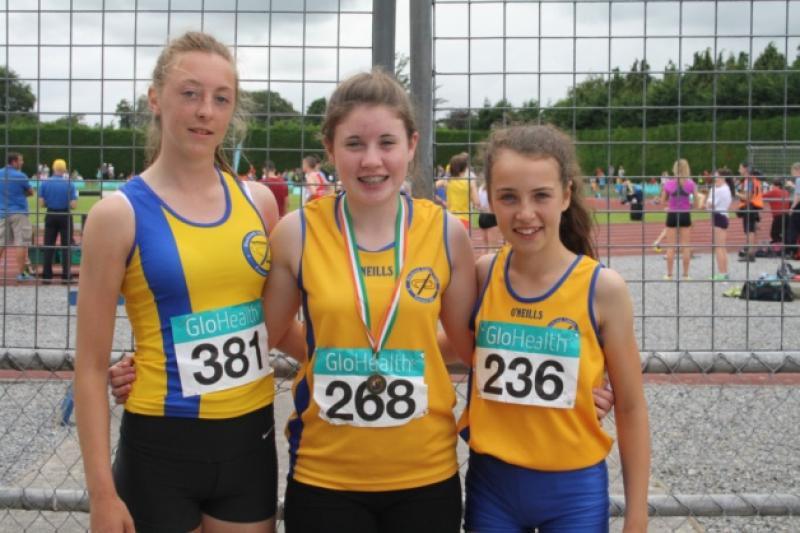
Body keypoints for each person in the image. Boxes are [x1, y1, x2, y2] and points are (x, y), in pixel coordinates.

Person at [74, 31, 286, 533]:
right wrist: (102, 495)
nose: (204, 111)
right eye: (189, 93)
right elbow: (87, 369)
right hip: (160, 448)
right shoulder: (117, 215)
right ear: (156, 99)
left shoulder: (259, 203)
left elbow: (276, 323)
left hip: (250, 443)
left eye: (220, 98)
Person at [458, 124, 649, 533]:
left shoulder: (603, 289)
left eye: (540, 196)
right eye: (508, 197)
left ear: (565, 195)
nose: (525, 214)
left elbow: (631, 406)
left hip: (573, 492)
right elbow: (448, 346)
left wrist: (637, 515)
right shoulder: (483, 275)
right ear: (490, 198)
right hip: (493, 487)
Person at [38, 158, 78, 283]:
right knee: (66, 246)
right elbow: (73, 205)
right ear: (65, 169)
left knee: (49, 245)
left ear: (53, 168)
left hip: (50, 214)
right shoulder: (70, 183)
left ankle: (46, 275)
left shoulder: (45, 183)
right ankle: (66, 276)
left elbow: (41, 203)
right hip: (65, 215)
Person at [0, 152, 35, 282]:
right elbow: (31, 192)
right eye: (21, 160)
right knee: (21, 243)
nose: (22, 163)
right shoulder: (20, 176)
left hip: (2, 212)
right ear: (14, 162)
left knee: (0, 243)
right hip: (19, 212)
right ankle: (21, 274)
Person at [659, 159, 696, 280]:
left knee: (670, 246)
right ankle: (686, 275)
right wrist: (690, 206)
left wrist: (668, 207)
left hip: (672, 214)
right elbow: (696, 201)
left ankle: (669, 275)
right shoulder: (691, 183)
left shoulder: (668, 183)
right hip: (685, 214)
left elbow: (662, 201)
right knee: (686, 246)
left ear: (674, 169)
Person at [706, 169, 735, 281]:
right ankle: (724, 272)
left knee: (718, 247)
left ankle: (722, 273)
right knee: (721, 247)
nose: (714, 178)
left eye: (717, 176)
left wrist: (706, 202)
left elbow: (710, 204)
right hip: (722, 216)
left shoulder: (720, 190)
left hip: (718, 216)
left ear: (723, 178)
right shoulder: (725, 188)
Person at [735, 162, 763, 263]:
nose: (739, 170)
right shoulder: (754, 180)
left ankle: (750, 254)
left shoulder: (748, 180)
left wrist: (735, 193)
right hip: (755, 207)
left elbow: (747, 196)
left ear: (745, 169)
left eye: (740, 168)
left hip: (750, 206)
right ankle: (751, 253)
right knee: (752, 230)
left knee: (749, 231)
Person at [436, 152, 472, 230]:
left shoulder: (467, 177)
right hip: (453, 186)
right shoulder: (450, 168)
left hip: (452, 216)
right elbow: (448, 175)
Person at [762, 178, 791, 248]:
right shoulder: (786, 192)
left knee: (774, 233)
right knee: (785, 232)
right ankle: (785, 246)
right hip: (786, 215)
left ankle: (778, 246)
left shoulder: (774, 191)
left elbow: (761, 196)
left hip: (778, 215)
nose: (772, 186)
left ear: (776, 186)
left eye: (772, 185)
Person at [786, 162, 800, 258]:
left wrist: (792, 207)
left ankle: (792, 251)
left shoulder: (798, 180)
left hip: (798, 206)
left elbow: (798, 196)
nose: (792, 173)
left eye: (792, 171)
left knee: (793, 229)